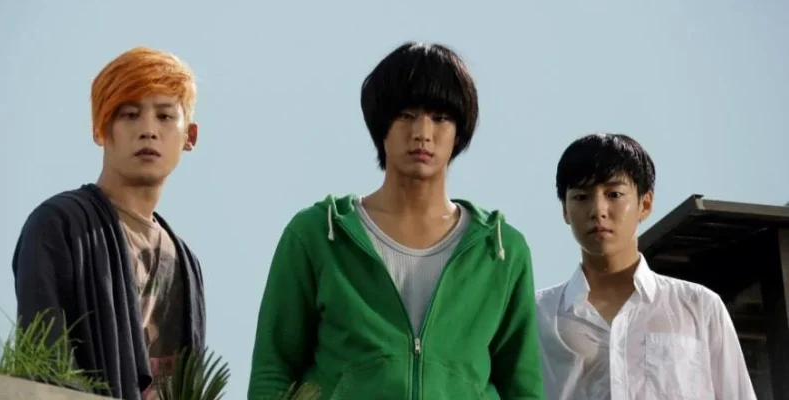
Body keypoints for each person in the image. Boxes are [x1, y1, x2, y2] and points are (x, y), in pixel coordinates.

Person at [248, 42, 544, 400]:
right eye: (405, 115)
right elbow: (273, 370)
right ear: (381, 124)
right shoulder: (317, 235)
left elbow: (523, 388)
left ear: (459, 130)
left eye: (440, 118)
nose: (422, 133)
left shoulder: (501, 251)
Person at [12, 47, 206, 399]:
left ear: (189, 137)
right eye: (129, 115)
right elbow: (45, 358)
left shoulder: (185, 262)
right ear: (100, 129)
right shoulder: (60, 224)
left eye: (165, 116)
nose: (148, 130)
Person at [535, 133, 757, 399]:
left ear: (645, 204)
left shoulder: (699, 306)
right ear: (564, 210)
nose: (598, 210)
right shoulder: (536, 315)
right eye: (581, 197)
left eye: (614, 194)